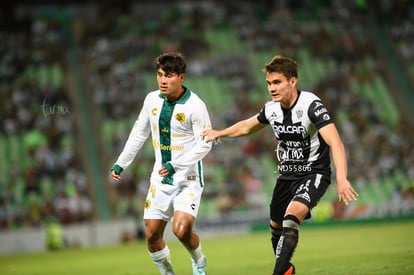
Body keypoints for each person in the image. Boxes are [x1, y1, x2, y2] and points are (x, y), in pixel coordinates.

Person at [202, 55, 358, 275]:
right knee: (275, 227)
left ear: (292, 81)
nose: (272, 88)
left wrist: (342, 178)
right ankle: (287, 270)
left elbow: (336, 142)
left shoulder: (311, 105)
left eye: (277, 82)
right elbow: (247, 126)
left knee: (291, 218)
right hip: (286, 175)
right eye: (269, 83)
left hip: (314, 173)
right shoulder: (271, 109)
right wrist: (220, 133)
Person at [111, 52, 212, 275]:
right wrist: (121, 163)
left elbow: (205, 145)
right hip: (161, 177)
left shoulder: (196, 106)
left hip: (188, 178)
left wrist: (177, 164)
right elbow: (139, 133)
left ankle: (199, 260)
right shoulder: (151, 100)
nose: (163, 80)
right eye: (159, 75)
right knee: (152, 235)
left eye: (169, 75)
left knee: (181, 230)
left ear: (182, 77)